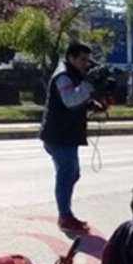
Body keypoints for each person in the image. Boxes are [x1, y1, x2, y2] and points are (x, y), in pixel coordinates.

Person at [40, 42, 102, 234]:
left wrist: (92, 104)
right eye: (82, 59)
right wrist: (89, 84)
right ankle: (65, 217)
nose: (85, 64)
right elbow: (70, 100)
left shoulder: (73, 74)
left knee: (71, 174)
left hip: (65, 135)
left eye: (87, 60)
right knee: (67, 176)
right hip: (59, 136)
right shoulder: (63, 76)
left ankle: (65, 213)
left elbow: (78, 100)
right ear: (71, 58)